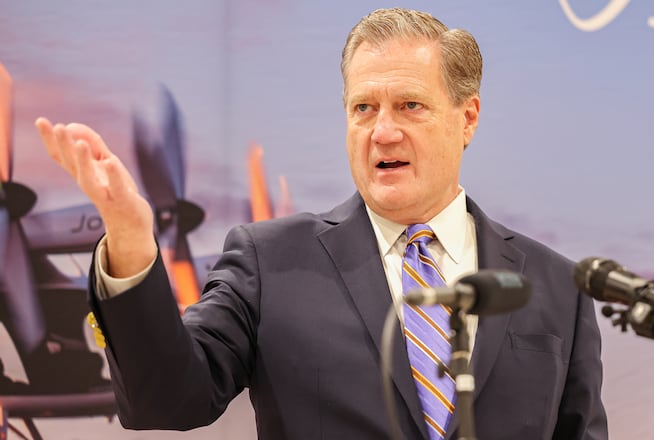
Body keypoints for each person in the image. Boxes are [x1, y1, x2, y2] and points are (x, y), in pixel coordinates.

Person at [35, 7, 607, 440]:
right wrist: (131, 241)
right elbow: (164, 399)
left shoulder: (557, 287)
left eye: (409, 106)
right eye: (363, 108)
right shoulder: (269, 262)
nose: (382, 132)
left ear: (468, 118)